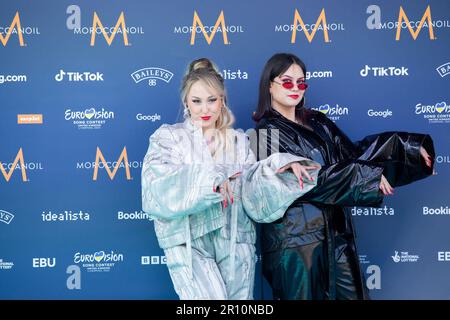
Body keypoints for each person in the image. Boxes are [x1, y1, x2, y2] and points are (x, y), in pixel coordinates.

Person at [252, 53, 435, 300]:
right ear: (270, 86)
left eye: (301, 82)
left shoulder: (318, 122)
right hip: (295, 245)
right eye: (287, 82)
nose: (295, 88)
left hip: (337, 236)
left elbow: (354, 154)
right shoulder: (263, 133)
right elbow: (301, 181)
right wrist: (364, 176)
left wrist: (409, 150)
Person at [141, 58, 321, 300]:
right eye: (197, 101)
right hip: (189, 242)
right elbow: (156, 189)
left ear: (222, 101)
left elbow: (252, 191)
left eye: (212, 100)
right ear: (186, 102)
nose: (205, 109)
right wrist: (212, 181)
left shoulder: (240, 141)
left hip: (236, 241)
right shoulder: (168, 138)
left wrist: (283, 165)